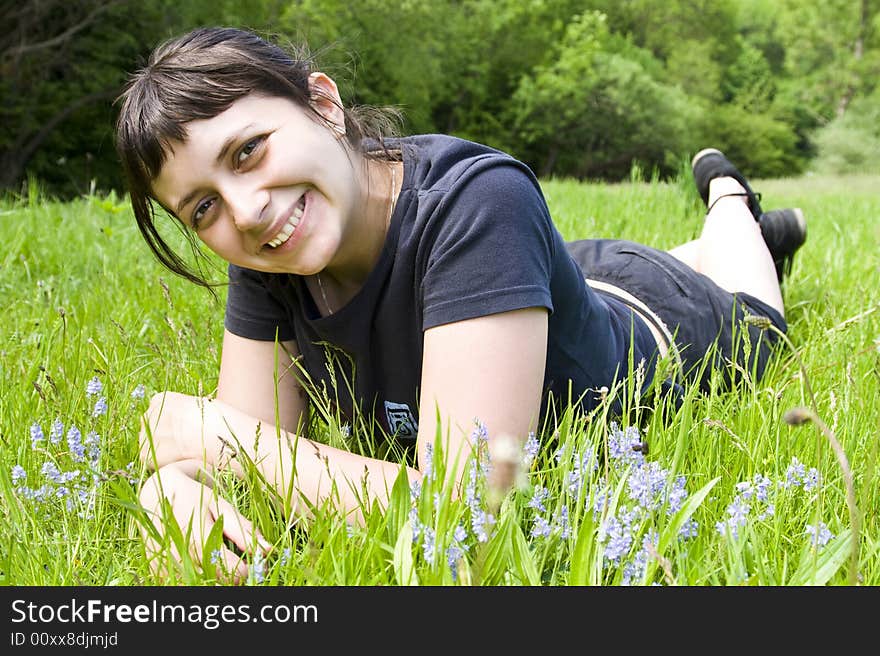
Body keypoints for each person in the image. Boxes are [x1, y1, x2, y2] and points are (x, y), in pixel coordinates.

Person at [115, 26, 807, 581]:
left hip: (655, 312)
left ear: (324, 105)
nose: (247, 208)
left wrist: (219, 442)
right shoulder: (273, 245)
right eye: (203, 206)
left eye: (248, 152)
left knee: (756, 310)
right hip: (524, 285)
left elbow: (469, 514)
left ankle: (732, 206)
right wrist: (169, 493)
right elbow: (246, 457)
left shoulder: (478, 202)